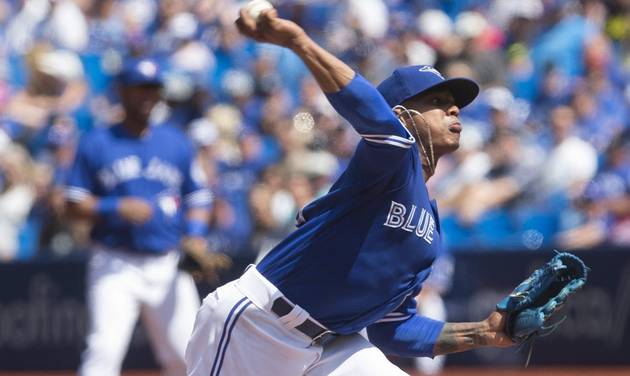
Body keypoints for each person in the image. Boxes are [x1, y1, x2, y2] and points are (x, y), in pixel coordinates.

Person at [185, 9, 513, 376]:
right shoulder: (391, 159)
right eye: (436, 102)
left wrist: (481, 332)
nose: (454, 108)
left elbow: (394, 329)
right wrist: (298, 42)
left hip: (333, 346)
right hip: (258, 326)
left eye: (453, 103)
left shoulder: (431, 230)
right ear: (403, 116)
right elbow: (371, 112)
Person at [65, 57, 213, 376]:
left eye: (153, 89)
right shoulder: (97, 142)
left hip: (167, 262)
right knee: (103, 351)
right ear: (121, 91)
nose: (148, 96)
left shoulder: (175, 141)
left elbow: (199, 196)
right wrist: (115, 207)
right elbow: (72, 203)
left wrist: (197, 234)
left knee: (187, 356)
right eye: (139, 89)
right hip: (115, 263)